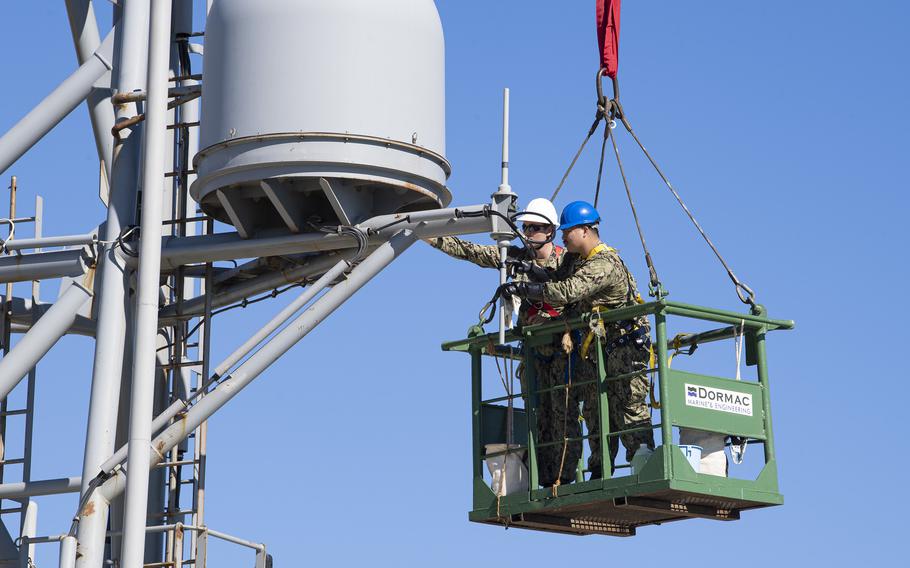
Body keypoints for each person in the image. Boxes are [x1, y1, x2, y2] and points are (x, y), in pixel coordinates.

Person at [425, 198, 582, 486]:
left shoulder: (567, 262)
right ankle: (545, 478)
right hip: (534, 354)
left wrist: (552, 322)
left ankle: (564, 477)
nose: (528, 233)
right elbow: (474, 252)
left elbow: (577, 297)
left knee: (564, 416)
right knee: (538, 416)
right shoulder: (517, 260)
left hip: (562, 352)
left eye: (535, 228)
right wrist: (430, 236)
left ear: (550, 230)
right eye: (525, 227)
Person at [502, 200, 655, 479]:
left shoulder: (604, 264)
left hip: (625, 347)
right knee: (596, 412)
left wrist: (527, 288)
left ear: (585, 231)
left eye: (568, 230)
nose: (562, 236)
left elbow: (569, 290)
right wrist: (530, 272)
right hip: (599, 349)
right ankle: (600, 471)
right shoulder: (578, 261)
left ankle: (644, 467)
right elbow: (556, 275)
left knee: (629, 408)